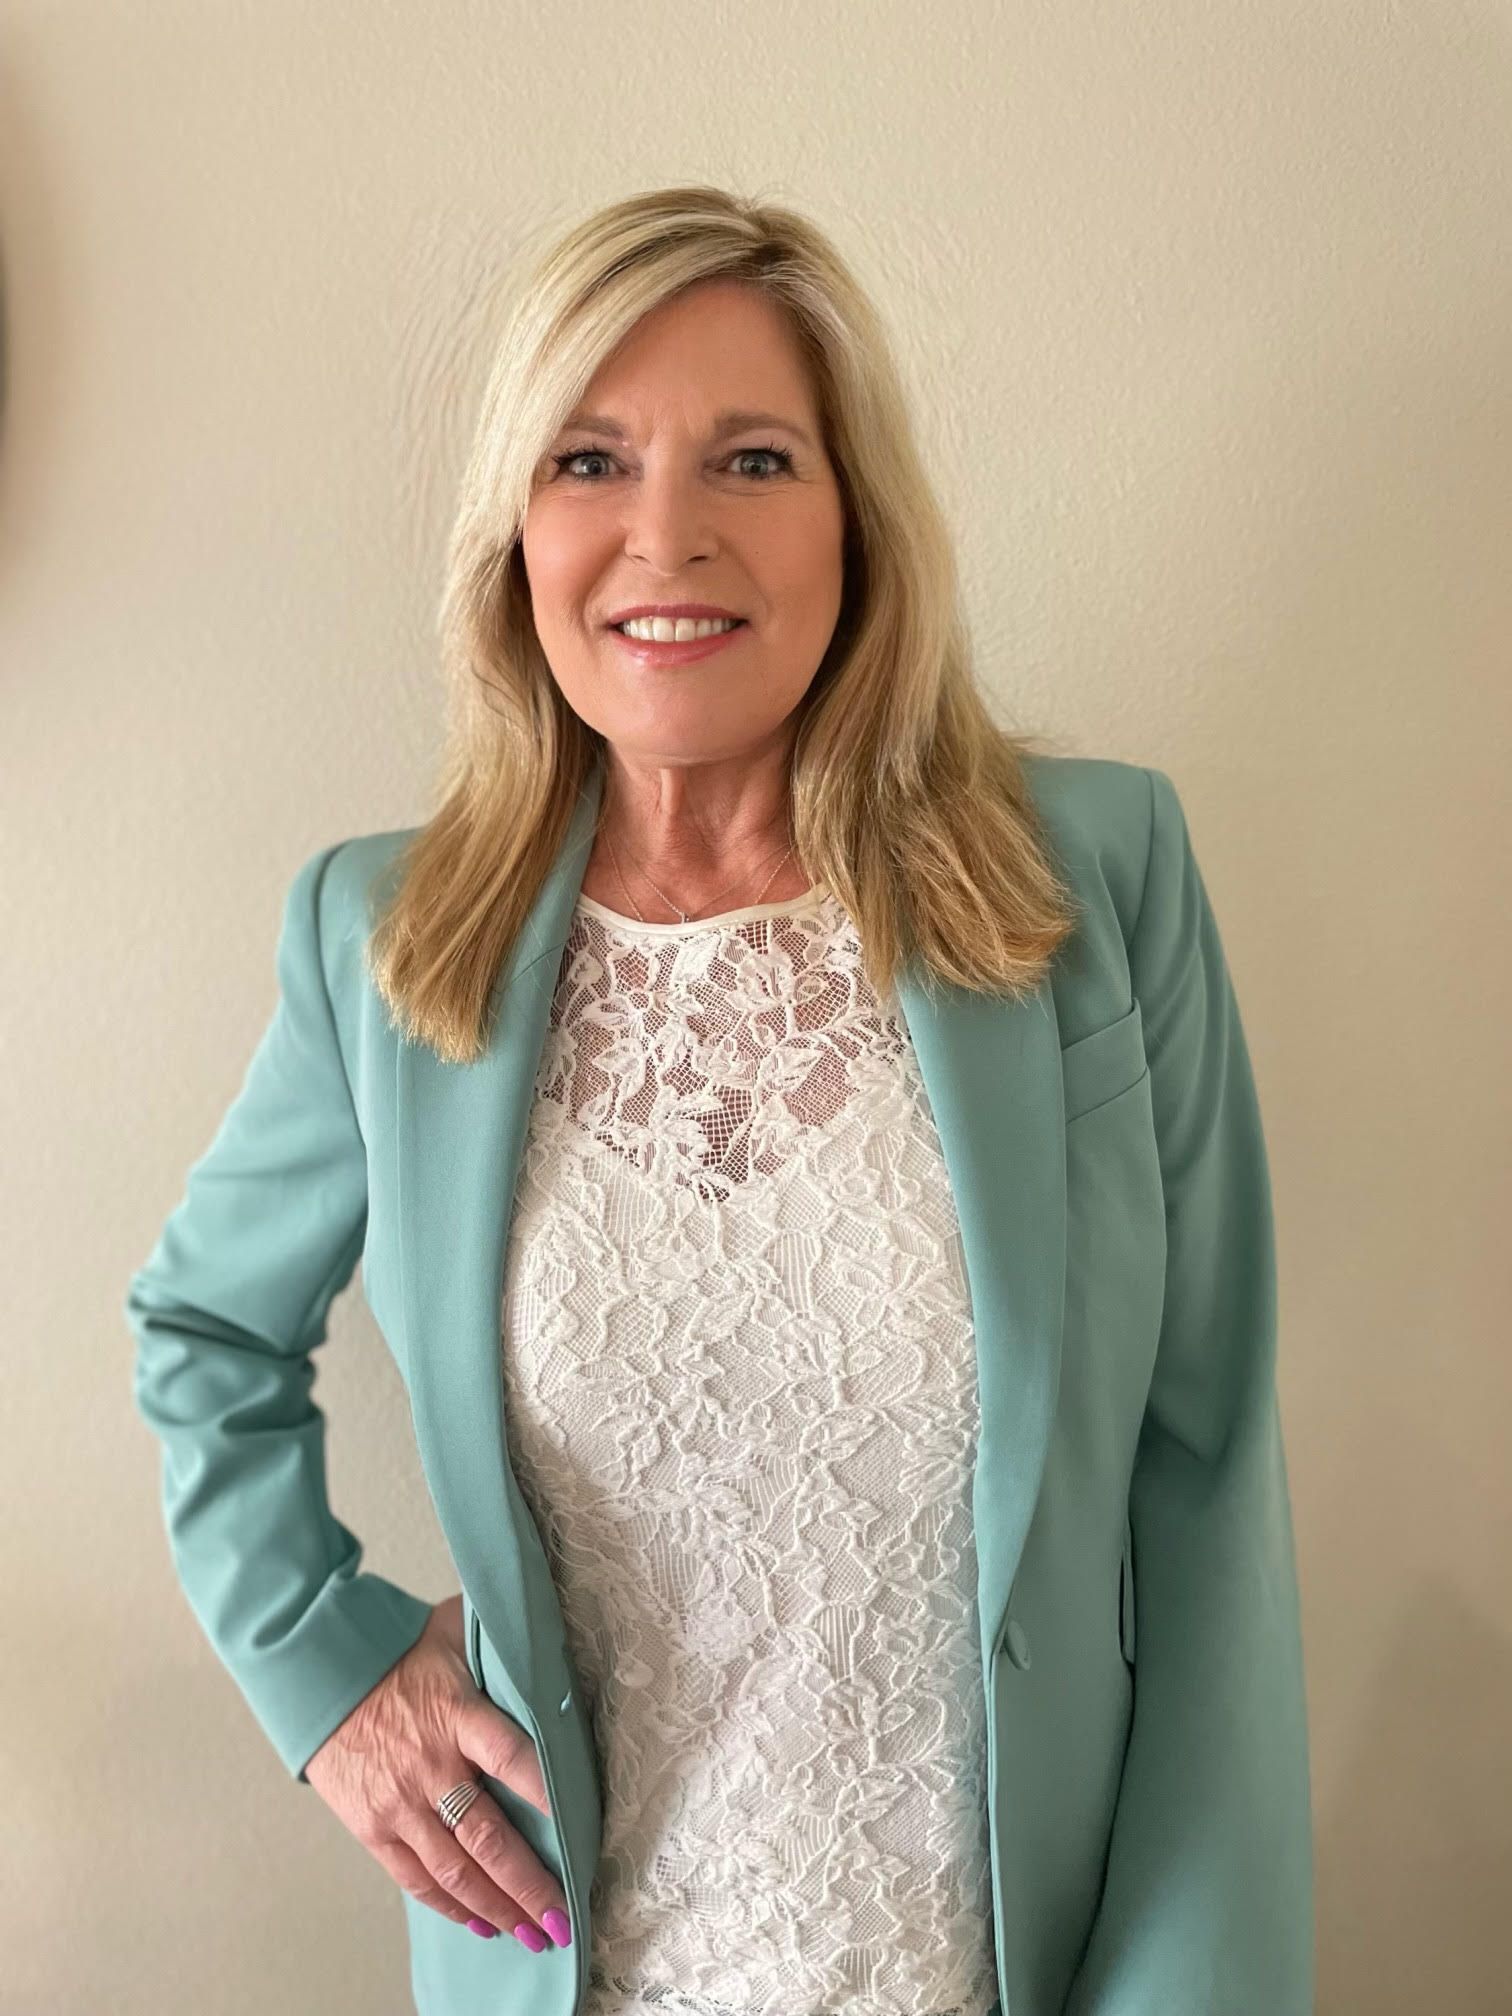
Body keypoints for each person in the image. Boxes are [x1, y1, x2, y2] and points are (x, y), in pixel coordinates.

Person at [125, 184, 1314, 2016]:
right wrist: (326, 1672)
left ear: (858, 523)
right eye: (589, 461)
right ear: (514, 532)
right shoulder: (383, 936)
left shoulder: (1095, 876)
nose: (662, 538)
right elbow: (202, 1328)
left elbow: (1207, 1476)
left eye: (753, 461)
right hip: (574, 1969)